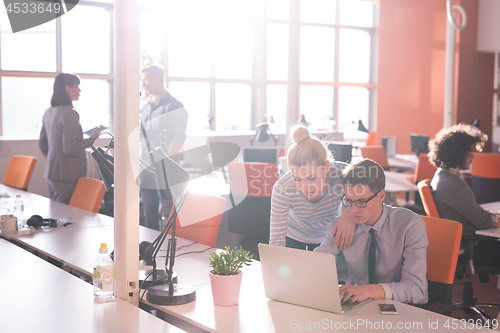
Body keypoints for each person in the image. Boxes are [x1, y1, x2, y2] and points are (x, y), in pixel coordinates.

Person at [315, 158, 428, 305]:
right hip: (359, 307)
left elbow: (418, 291)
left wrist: (369, 290)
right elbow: (315, 265)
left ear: (381, 195)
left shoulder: (409, 225)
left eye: (361, 202)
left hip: (399, 308)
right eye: (349, 201)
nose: (354, 210)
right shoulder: (342, 225)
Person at [269, 126, 355, 251]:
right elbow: (276, 241)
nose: (305, 186)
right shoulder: (283, 187)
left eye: (311, 177)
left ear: (326, 166)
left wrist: (348, 213)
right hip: (294, 237)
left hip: (329, 236)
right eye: (297, 179)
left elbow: (364, 196)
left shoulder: (344, 174)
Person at [429, 124, 500, 268]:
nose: (473, 157)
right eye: (471, 152)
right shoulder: (452, 184)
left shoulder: (444, 176)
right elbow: (481, 220)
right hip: (471, 245)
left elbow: (475, 214)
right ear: (459, 153)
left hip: (468, 239)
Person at [140, 64, 188, 231]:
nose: (143, 83)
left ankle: (168, 252)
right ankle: (150, 250)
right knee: (149, 212)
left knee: (168, 211)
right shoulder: (146, 107)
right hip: (145, 168)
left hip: (165, 171)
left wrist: (163, 164)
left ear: (157, 79)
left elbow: (179, 137)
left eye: (146, 79)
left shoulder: (174, 106)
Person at [38, 73, 98, 203]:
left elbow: (42, 143)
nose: (79, 90)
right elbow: (69, 148)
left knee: (56, 215)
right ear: (68, 88)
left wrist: (53, 158)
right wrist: (92, 139)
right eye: (77, 86)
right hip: (68, 176)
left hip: (51, 173)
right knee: (69, 218)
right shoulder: (71, 113)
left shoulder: (49, 112)